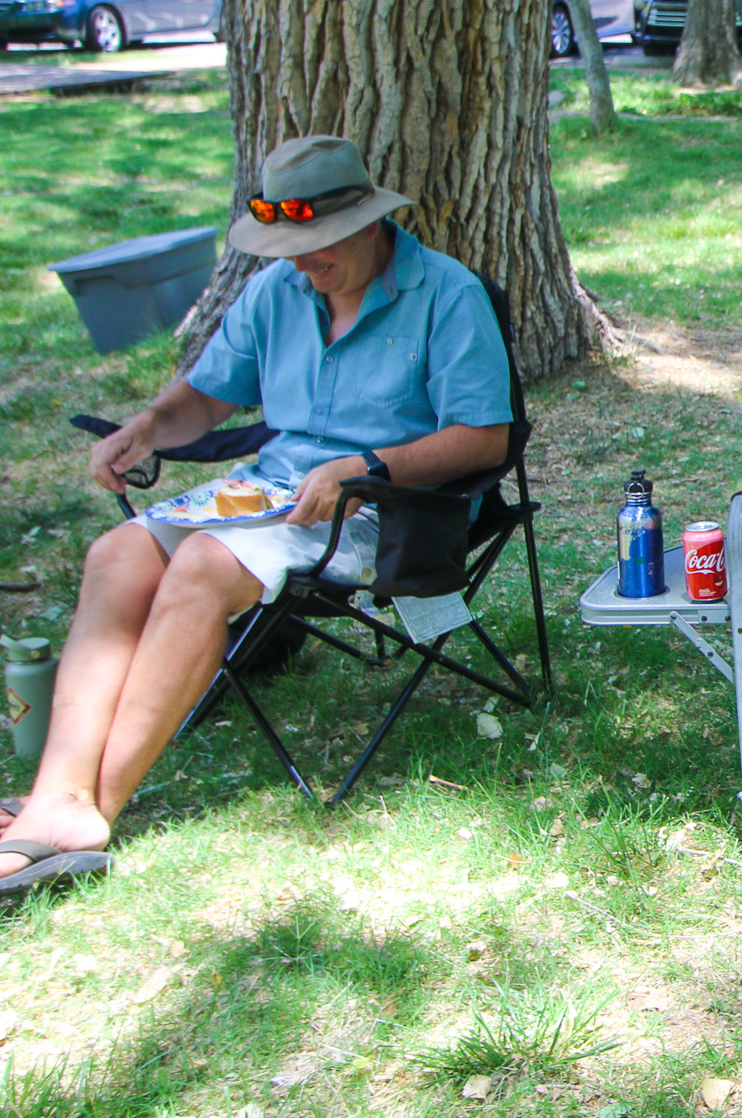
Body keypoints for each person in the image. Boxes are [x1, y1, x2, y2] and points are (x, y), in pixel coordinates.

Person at [0, 136, 514, 893]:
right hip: (269, 490)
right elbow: (208, 397)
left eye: (315, 246)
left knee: (204, 564)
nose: (301, 262)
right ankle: (58, 792)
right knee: (115, 552)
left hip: (386, 506)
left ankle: (84, 811)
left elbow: (485, 436)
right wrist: (148, 424)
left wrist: (366, 466)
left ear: (368, 223)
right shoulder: (280, 291)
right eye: (288, 247)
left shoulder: (445, 292)